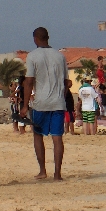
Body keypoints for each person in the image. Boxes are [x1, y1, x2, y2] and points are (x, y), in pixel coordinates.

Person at [21, 27, 68, 181]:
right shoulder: (60, 56)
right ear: (48, 37)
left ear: (35, 38)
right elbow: (67, 82)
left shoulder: (32, 56)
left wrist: (25, 105)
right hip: (58, 102)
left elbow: (29, 81)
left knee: (37, 135)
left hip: (40, 102)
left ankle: (42, 170)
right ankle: (57, 174)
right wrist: (62, 95)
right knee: (57, 138)